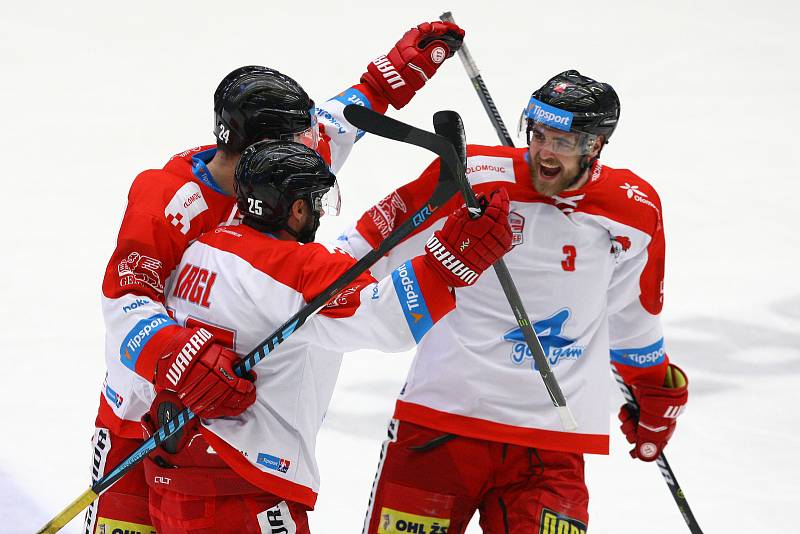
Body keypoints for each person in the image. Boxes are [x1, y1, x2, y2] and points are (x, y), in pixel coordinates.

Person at [86, 20, 465, 534]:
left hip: (226, 430)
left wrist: (388, 78)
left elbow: (339, 119)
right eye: (296, 138)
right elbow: (125, 300)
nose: (312, 145)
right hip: (139, 417)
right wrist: (178, 357)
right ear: (252, 144)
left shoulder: (279, 167)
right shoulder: (167, 200)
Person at [337, 70, 690, 533]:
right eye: (538, 134)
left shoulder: (632, 210)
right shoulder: (476, 177)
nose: (544, 151)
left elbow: (630, 314)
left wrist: (652, 385)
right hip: (439, 427)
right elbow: (363, 246)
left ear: (596, 144)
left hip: (551, 445)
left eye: (562, 142)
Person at [141, 140, 513, 532]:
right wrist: (447, 263)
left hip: (173, 482)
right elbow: (386, 319)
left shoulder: (199, 249)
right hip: (247, 490)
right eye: (316, 200)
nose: (319, 210)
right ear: (297, 208)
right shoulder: (301, 268)